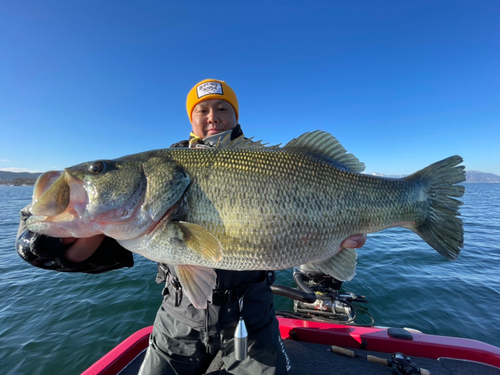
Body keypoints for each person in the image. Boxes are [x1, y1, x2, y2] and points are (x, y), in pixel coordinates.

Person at [16, 79, 367, 375]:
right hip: (178, 320)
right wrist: (77, 221)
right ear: (191, 119)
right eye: (203, 110)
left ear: (235, 115)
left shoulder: (261, 163)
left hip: (253, 317)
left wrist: (333, 238)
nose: (213, 117)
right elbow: (58, 249)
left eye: (222, 108)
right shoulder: (160, 179)